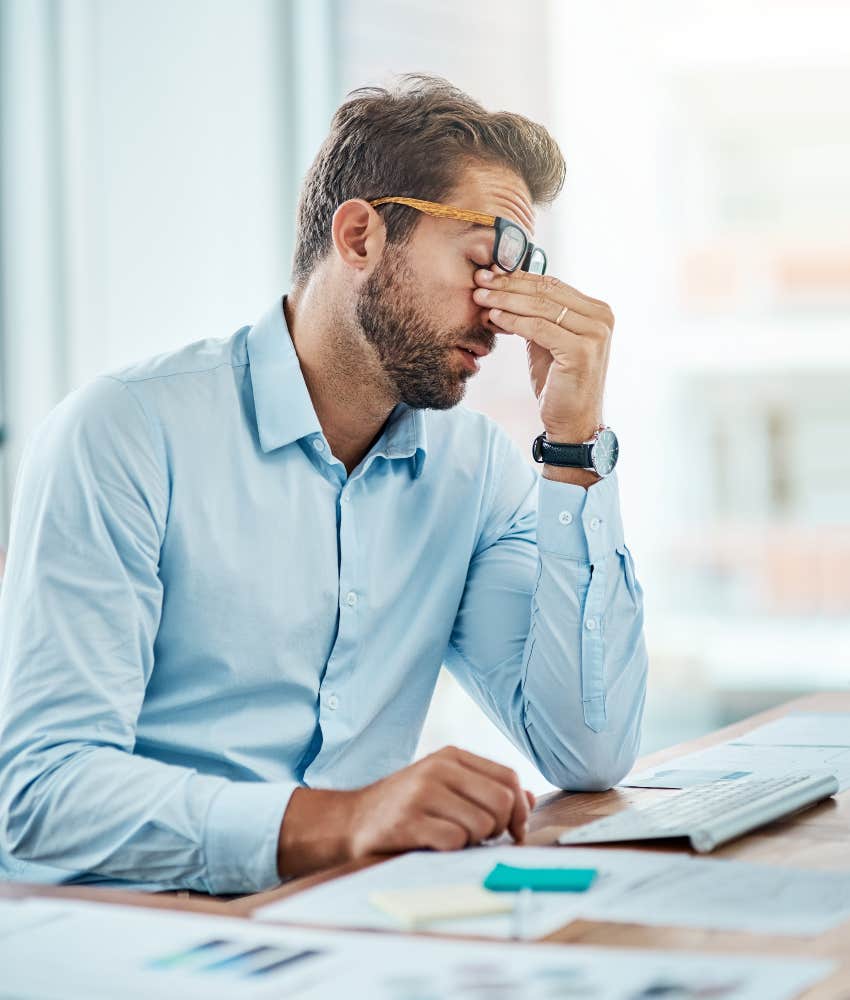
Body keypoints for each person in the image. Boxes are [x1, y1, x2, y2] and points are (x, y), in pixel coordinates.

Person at [0, 75, 647, 894]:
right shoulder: (125, 431)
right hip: (138, 926)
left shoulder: (476, 471)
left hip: (347, 923)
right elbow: (42, 797)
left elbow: (588, 751)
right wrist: (341, 822)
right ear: (359, 236)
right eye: (484, 264)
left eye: (521, 278)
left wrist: (576, 443)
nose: (499, 311)